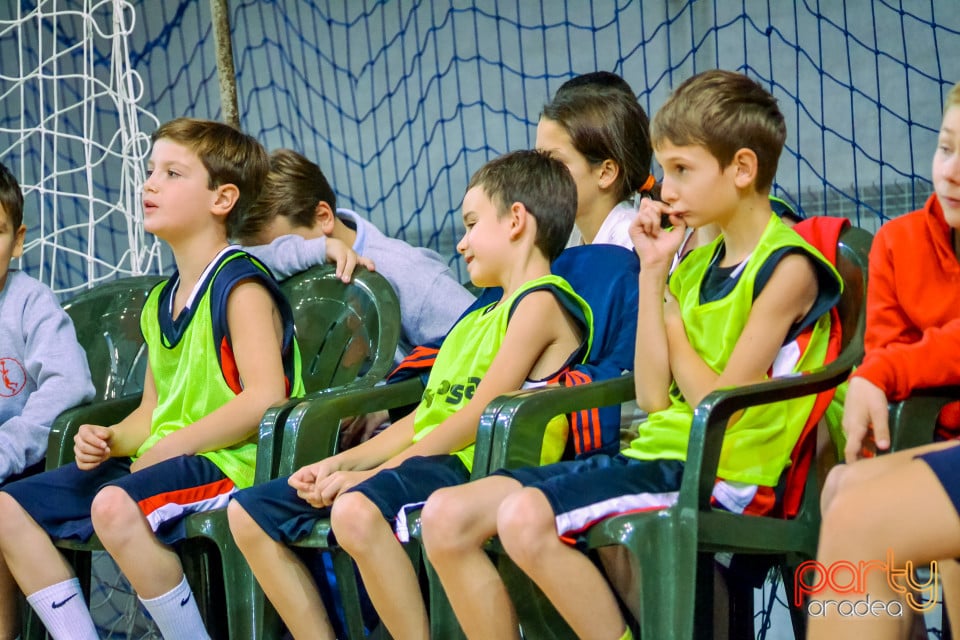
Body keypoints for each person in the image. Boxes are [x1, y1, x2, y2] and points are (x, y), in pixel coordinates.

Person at [421, 69, 842, 640]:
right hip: (659, 453)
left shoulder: (787, 268)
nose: (665, 190)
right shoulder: (690, 263)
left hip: (720, 470)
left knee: (525, 517)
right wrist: (652, 276)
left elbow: (718, 407)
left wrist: (667, 315)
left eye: (682, 170)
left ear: (742, 169)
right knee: (447, 516)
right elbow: (650, 394)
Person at [227, 149, 594, 640]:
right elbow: (425, 415)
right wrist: (345, 463)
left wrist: (377, 473)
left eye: (470, 224)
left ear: (516, 221)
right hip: (431, 458)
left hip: (477, 466)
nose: (461, 244)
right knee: (249, 512)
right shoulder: (476, 319)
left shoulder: (541, 303)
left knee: (355, 510)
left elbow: (477, 417)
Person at [0, 118, 304, 640]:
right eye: (149, 172)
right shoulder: (160, 302)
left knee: (113, 505)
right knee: (6, 506)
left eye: (171, 173)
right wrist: (110, 439)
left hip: (235, 462)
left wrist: (172, 446)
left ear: (222, 198)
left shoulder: (241, 286)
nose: (149, 185)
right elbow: (152, 414)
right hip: (169, 458)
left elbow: (265, 397)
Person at [809, 82, 960, 639]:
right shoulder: (901, 242)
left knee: (860, 515)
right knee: (843, 487)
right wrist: (877, 377)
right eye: (946, 148)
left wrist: (879, 374)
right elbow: (887, 347)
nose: (952, 171)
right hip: (935, 442)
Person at [234, 148, 476, 360]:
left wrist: (386, 407)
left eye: (288, 245)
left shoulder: (406, 272)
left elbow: (487, 347)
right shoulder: (275, 277)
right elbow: (240, 262)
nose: (286, 258)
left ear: (323, 217)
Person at [0, 162, 95, 484]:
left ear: (17, 241)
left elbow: (69, 384)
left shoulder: (30, 301)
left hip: (23, 470)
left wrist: (7, 449)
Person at [536, 72, 655, 249]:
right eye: (538, 157)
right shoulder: (569, 235)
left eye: (554, 161)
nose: (538, 171)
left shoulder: (630, 243)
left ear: (606, 173)